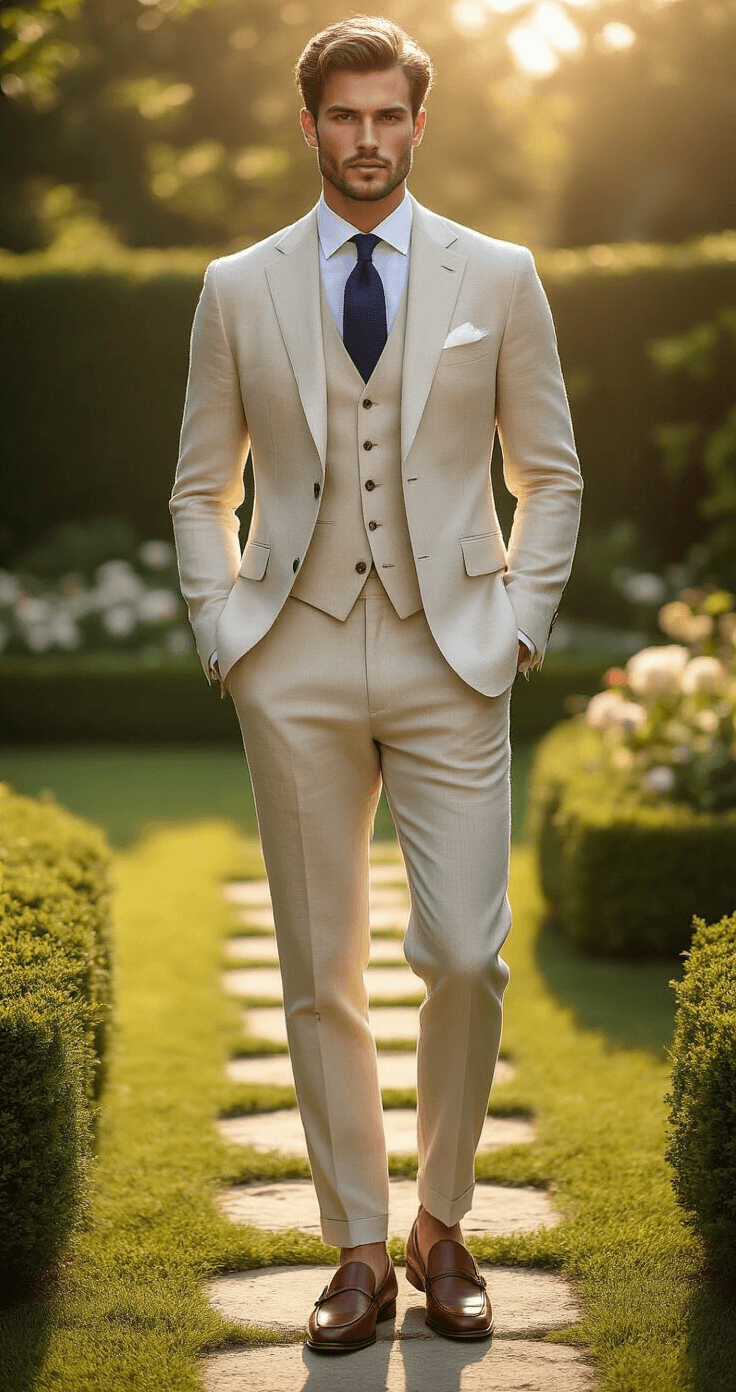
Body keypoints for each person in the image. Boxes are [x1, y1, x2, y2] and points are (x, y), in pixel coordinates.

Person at [170, 14, 582, 1354]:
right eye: (342, 117)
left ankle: (443, 1222)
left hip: (452, 648)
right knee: (318, 965)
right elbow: (199, 483)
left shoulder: (501, 274)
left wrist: (519, 620)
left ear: (417, 122)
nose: (365, 140)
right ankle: (357, 1244)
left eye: (386, 117)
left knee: (466, 951)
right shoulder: (239, 285)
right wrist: (225, 628)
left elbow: (552, 474)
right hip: (290, 648)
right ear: (311, 126)